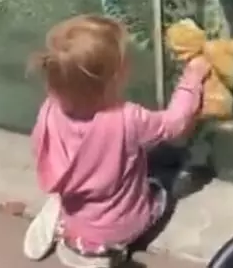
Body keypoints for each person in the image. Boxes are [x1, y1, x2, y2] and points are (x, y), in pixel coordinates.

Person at [21, 14, 210, 267]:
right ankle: (100, 246)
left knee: (80, 184)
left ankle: (66, 219)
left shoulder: (50, 109)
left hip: (76, 214)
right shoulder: (127, 119)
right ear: (116, 77)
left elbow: (39, 149)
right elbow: (175, 124)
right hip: (122, 229)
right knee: (165, 183)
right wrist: (193, 77)